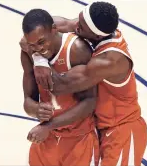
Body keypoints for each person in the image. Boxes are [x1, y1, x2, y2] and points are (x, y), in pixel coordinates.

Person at [20, 2, 147, 166]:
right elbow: (32, 34)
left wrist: (38, 59)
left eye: (80, 27)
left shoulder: (109, 61)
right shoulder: (95, 27)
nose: (74, 26)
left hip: (122, 128)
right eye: (79, 20)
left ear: (97, 36)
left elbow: (59, 86)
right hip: (102, 128)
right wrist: (37, 48)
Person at [21, 9, 100, 166]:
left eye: (42, 42)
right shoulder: (29, 52)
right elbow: (27, 101)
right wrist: (35, 109)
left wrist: (49, 125)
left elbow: (90, 101)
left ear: (54, 29)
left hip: (78, 138)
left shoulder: (77, 50)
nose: (38, 49)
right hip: (47, 137)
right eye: (32, 45)